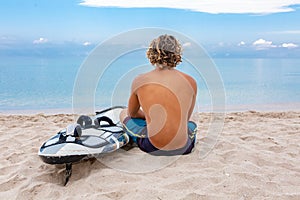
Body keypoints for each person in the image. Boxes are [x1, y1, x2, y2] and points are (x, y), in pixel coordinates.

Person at [120, 34, 197, 156]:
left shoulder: (140, 80)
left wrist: (151, 116)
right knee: (191, 122)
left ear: (152, 53)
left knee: (123, 113)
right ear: (177, 54)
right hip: (184, 148)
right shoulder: (191, 81)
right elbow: (185, 118)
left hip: (152, 147)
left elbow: (133, 113)